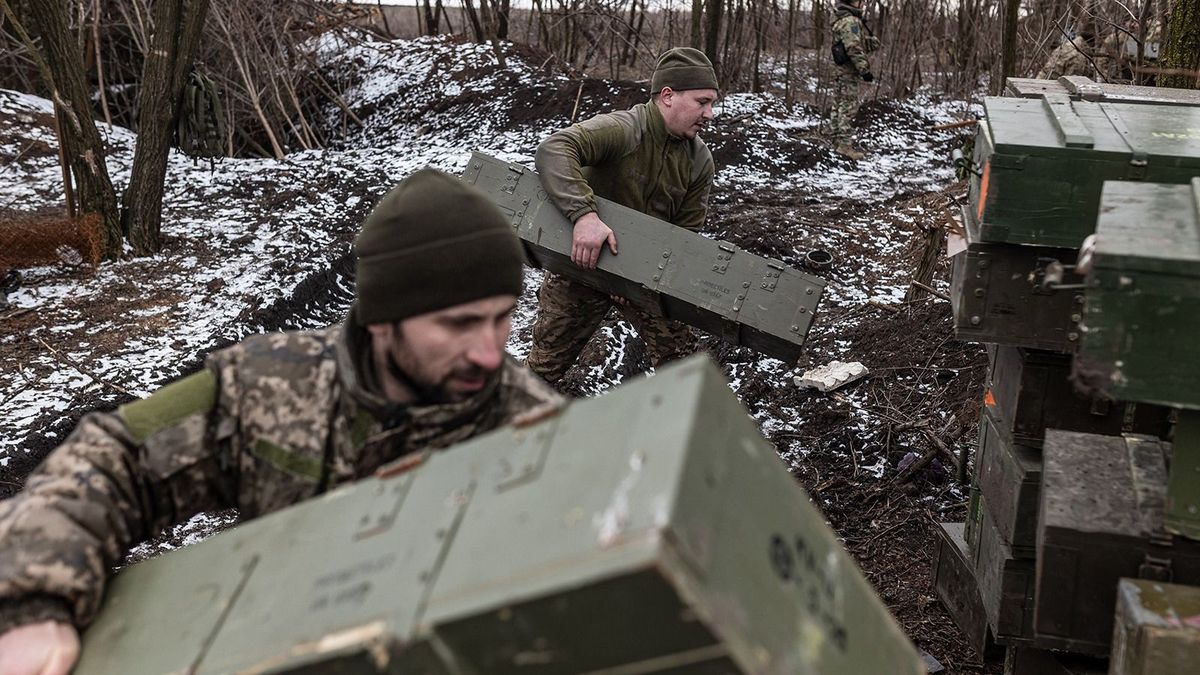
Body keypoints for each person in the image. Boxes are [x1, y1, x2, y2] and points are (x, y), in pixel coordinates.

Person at [0, 169, 561, 674]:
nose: (490, 353)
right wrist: (34, 604)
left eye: (502, 318)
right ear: (382, 320)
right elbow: (116, 455)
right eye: (459, 324)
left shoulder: (536, 428)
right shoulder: (271, 385)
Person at [525, 47, 718, 387]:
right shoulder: (624, 128)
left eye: (712, 103)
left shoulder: (699, 161)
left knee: (685, 369)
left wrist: (638, 275)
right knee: (543, 368)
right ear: (668, 96)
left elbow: (685, 236)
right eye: (702, 102)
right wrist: (583, 215)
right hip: (581, 262)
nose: (710, 113)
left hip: (645, 280)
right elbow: (554, 149)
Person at [830, 0, 879, 160]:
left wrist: (869, 43)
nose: (863, 3)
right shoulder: (850, 21)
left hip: (840, 72)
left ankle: (837, 143)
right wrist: (864, 70)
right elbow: (853, 47)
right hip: (848, 72)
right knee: (847, 107)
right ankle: (844, 147)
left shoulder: (841, 19)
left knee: (838, 106)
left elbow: (851, 43)